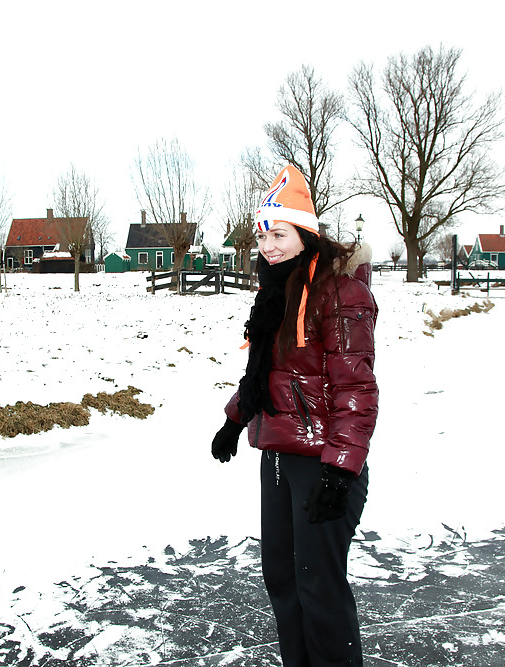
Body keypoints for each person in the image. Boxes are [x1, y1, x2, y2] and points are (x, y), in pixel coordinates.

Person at [211, 165, 378, 667]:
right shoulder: (276, 294)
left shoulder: (340, 292)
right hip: (279, 458)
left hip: (323, 462)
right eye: (263, 235)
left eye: (280, 234)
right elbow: (267, 372)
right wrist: (235, 419)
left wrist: (340, 469)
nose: (269, 245)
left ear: (306, 233)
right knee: (282, 581)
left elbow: (356, 387)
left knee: (318, 587)